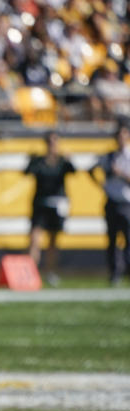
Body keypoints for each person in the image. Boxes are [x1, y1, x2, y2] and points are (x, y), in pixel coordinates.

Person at [23, 131, 76, 287]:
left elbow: (73, 171)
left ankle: (51, 272)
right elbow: (27, 172)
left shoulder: (62, 162)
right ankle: (30, 273)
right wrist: (30, 160)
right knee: (34, 239)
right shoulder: (39, 161)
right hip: (40, 203)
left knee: (53, 241)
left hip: (57, 204)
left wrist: (70, 160)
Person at [90, 119, 130, 286]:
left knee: (129, 239)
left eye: (123, 135)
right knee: (112, 239)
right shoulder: (108, 156)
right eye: (118, 135)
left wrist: (120, 174)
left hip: (127, 202)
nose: (120, 138)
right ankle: (115, 273)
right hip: (112, 201)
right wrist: (101, 185)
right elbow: (91, 170)